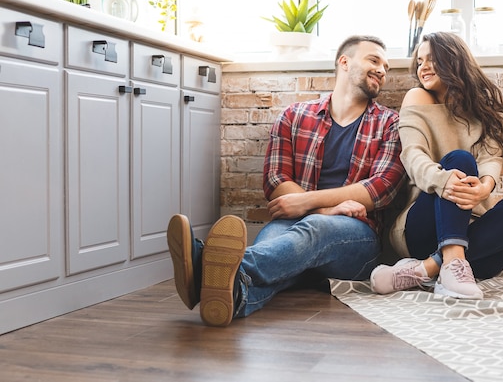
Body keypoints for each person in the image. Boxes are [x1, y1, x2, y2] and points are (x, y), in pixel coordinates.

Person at [166, 35, 406, 326]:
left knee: (311, 231)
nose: (382, 70)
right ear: (344, 62)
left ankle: (203, 265)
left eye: (386, 66)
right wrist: (327, 209)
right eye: (374, 60)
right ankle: (234, 297)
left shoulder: (389, 123)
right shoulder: (294, 116)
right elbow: (276, 178)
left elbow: (381, 188)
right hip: (294, 226)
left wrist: (307, 203)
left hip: (356, 238)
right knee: (282, 259)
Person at [370, 31, 503, 299]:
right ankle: (450, 262)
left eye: (432, 59)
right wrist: (443, 180)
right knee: (460, 160)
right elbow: (413, 157)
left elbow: (491, 159)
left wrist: (484, 188)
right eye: (420, 61)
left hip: (476, 240)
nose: (423, 66)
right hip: (422, 228)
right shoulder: (417, 98)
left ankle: (429, 269)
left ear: (454, 59)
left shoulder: (483, 108)